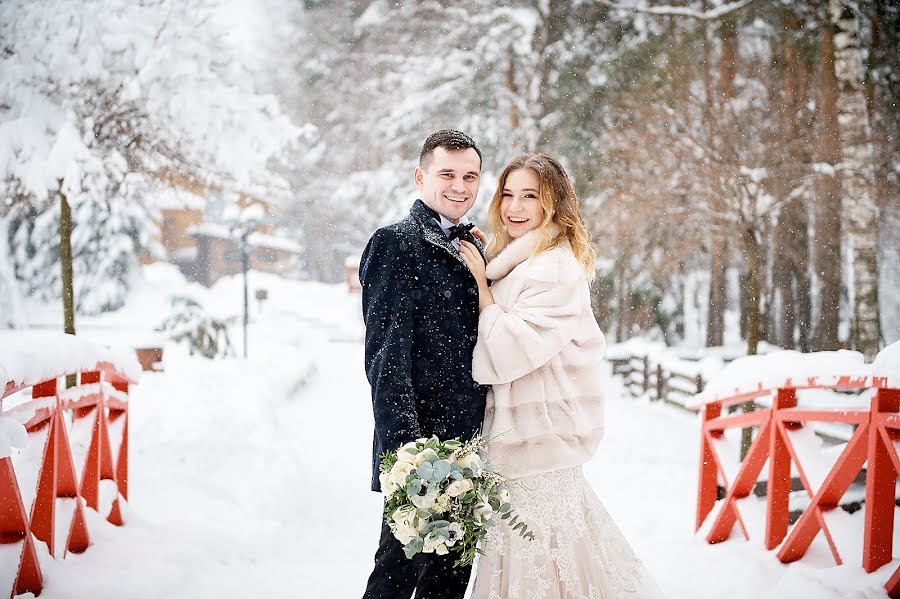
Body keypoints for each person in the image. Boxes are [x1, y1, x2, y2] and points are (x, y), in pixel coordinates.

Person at [459, 154, 662, 598]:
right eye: (508, 194)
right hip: (522, 438)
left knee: (543, 552)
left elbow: (512, 350)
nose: (515, 206)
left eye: (530, 196)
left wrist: (479, 285)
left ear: (552, 203)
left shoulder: (553, 266)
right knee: (536, 550)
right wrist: (486, 262)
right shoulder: (520, 258)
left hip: (541, 440)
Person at [359, 129, 489, 599]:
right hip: (419, 451)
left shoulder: (476, 246)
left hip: (472, 449)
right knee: (395, 578)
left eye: (470, 176)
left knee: (450, 583)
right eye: (447, 174)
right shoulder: (394, 244)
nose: (460, 186)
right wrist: (405, 457)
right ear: (420, 176)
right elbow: (385, 360)